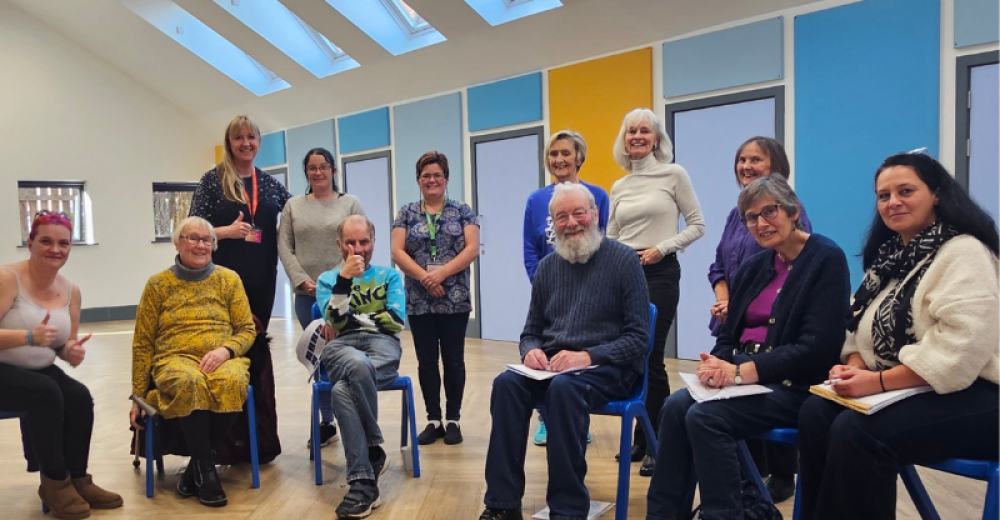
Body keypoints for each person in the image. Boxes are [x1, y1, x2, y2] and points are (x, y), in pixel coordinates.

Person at [797, 151, 999, 520]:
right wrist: (854, 365)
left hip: (981, 395)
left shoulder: (965, 252)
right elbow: (857, 328)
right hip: (914, 388)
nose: (893, 202)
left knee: (858, 431)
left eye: (906, 191)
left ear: (936, 194)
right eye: (884, 195)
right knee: (815, 413)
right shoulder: (889, 258)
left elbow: (957, 355)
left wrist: (875, 381)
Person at [645, 176, 851, 520]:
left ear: (793, 211)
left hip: (796, 387)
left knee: (706, 418)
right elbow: (728, 337)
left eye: (769, 212)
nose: (760, 223)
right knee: (674, 406)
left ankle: (728, 514)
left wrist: (740, 373)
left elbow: (815, 348)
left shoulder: (825, 258)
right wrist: (717, 363)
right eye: (751, 217)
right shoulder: (754, 267)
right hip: (745, 379)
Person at [479, 183, 650, 520]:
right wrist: (530, 351)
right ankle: (502, 504)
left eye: (578, 213)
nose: (571, 222)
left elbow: (638, 338)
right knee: (506, 385)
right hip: (555, 369)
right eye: (562, 216)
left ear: (596, 215)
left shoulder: (624, 260)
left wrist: (588, 356)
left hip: (609, 366)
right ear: (552, 224)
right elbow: (530, 333)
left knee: (564, 389)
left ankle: (568, 509)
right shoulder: (547, 268)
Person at [706, 136, 811, 501]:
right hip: (736, 322)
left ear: (775, 166)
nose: (746, 166)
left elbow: (793, 274)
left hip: (774, 328)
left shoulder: (791, 214)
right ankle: (746, 481)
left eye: (756, 160)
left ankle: (779, 476)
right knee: (716, 397)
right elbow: (717, 264)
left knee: (756, 391)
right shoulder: (736, 214)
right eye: (742, 160)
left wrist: (737, 303)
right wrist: (726, 299)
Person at [0, 212, 122, 519]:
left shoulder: (71, 290)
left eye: (63, 243)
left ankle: (79, 479)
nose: (55, 249)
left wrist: (71, 352)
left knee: (78, 395)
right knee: (45, 392)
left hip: (38, 370)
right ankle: (55, 483)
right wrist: (27, 335)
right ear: (30, 243)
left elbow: (62, 344)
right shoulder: (7, 278)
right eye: (46, 241)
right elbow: (35, 337)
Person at [130, 216, 257, 508]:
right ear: (177, 243)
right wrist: (137, 395)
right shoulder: (158, 284)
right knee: (189, 382)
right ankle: (207, 471)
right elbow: (143, 341)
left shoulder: (229, 279)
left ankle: (197, 467)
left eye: (206, 240)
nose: (201, 245)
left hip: (221, 355)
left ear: (213, 244)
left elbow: (247, 329)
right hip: (173, 358)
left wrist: (226, 350)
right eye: (193, 238)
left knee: (233, 381)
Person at [607, 108, 705, 473]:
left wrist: (662, 248)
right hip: (625, 274)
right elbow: (612, 236)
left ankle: (659, 441)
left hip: (661, 273)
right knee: (630, 358)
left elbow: (697, 225)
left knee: (650, 355)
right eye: (630, 130)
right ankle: (639, 437)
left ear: (656, 139)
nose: (637, 136)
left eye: (644, 131)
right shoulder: (619, 185)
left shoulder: (673, 174)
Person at [189, 114, 289, 463]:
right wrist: (224, 232)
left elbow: (295, 215)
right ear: (229, 143)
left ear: (259, 142)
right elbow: (194, 231)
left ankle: (259, 442)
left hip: (263, 278)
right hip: (222, 282)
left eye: (252, 137)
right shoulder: (212, 181)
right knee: (227, 351)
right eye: (238, 138)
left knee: (256, 351)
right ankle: (225, 442)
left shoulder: (270, 183)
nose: (245, 143)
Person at [314, 215, 405, 519]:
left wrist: (352, 319)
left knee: (343, 388)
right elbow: (336, 322)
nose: (357, 249)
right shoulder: (329, 279)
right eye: (350, 242)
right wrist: (345, 281)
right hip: (342, 346)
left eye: (363, 242)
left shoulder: (389, 276)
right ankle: (374, 450)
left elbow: (395, 321)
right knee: (355, 361)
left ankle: (363, 481)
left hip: (383, 346)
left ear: (373, 243)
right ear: (339, 244)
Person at [522, 129, 609, 446]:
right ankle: (545, 419)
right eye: (553, 154)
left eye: (565, 153)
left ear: (579, 158)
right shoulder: (536, 200)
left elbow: (600, 240)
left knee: (576, 354)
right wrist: (542, 284)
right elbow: (531, 249)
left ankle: (576, 420)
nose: (558, 159)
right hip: (549, 289)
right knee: (545, 353)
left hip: (587, 288)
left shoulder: (597, 195)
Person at [391, 151, 479, 446]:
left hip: (454, 299)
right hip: (419, 300)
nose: (432, 180)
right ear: (418, 181)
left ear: (446, 179)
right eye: (426, 175)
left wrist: (439, 275)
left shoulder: (463, 211)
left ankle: (453, 419)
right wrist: (424, 278)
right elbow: (397, 251)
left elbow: (472, 248)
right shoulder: (405, 213)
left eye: (437, 175)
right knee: (427, 361)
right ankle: (433, 419)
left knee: (454, 360)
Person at [279, 147, 365, 448]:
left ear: (333, 171)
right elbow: (285, 248)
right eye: (312, 168)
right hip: (307, 295)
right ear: (306, 173)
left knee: (347, 354)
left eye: (323, 167)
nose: (318, 172)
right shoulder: (293, 206)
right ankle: (327, 420)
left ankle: (353, 417)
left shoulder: (350, 203)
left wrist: (335, 281)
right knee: (321, 359)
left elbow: (359, 244)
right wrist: (301, 279)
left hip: (344, 293)